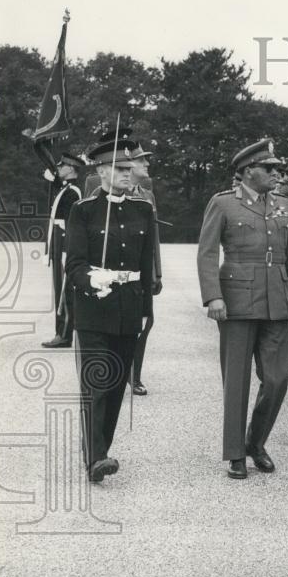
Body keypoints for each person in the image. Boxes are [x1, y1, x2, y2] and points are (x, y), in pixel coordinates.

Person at [196, 138, 288, 480]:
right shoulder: (224, 204)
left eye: (277, 168)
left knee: (277, 379)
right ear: (247, 171)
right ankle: (235, 454)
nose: (276, 173)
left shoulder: (283, 205)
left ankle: (255, 442)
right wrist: (213, 296)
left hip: (277, 300)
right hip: (238, 300)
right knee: (237, 381)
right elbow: (208, 252)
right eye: (269, 168)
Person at [64, 134, 154, 483]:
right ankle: (97, 457)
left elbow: (147, 265)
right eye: (120, 168)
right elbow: (73, 265)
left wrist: (146, 309)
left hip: (128, 308)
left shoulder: (143, 210)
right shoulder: (83, 210)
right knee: (96, 384)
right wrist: (92, 279)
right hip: (93, 308)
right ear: (101, 171)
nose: (128, 174)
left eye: (130, 168)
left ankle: (99, 451)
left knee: (116, 385)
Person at [125, 142, 163, 395]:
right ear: (130, 165)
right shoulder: (111, 191)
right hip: (120, 271)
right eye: (142, 160)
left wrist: (157, 272)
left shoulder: (147, 196)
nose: (147, 164)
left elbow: (154, 238)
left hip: (143, 271)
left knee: (145, 322)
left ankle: (134, 375)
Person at [41, 151, 85, 348]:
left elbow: (72, 223)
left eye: (61, 166)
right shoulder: (67, 189)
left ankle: (65, 334)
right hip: (59, 241)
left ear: (71, 169)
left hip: (65, 243)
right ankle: (62, 331)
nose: (58, 169)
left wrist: (68, 250)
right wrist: (53, 182)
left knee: (64, 291)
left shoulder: (73, 192)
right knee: (59, 288)